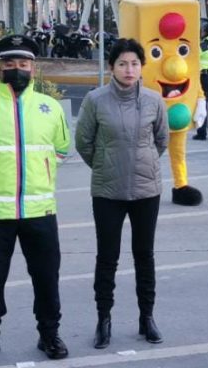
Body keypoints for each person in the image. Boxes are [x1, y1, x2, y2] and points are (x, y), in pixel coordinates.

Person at [0, 34, 72, 366]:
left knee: (47, 278)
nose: (17, 68)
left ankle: (49, 334)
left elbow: (61, 150)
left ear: (33, 68)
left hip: (40, 209)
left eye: (23, 63)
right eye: (10, 63)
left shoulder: (49, 107)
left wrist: (40, 173)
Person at [76, 38, 169, 349]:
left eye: (134, 64)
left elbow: (161, 141)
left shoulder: (155, 100)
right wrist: (105, 164)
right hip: (107, 191)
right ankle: (104, 319)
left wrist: (142, 164)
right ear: (111, 67)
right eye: (122, 64)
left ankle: (148, 317)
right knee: (107, 257)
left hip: (147, 190)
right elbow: (84, 142)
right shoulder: (95, 100)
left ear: (141, 67)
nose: (129, 69)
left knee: (145, 256)